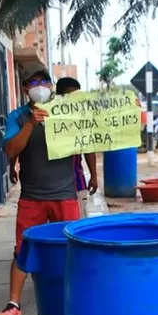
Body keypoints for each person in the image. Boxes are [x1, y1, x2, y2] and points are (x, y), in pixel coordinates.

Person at [0, 66, 85, 315]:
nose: (40, 86)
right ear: (25, 88)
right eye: (34, 82)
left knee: (72, 247)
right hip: (32, 196)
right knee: (23, 248)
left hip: (64, 194)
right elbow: (11, 150)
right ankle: (13, 305)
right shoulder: (18, 117)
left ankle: (76, 298)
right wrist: (32, 123)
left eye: (45, 81)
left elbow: (91, 135)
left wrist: (128, 109)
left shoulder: (66, 111)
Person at [54, 77, 99, 219]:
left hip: (76, 182)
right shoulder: (50, 118)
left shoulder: (82, 119)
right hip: (53, 186)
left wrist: (94, 175)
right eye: (71, 95)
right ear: (61, 97)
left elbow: (88, 147)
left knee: (78, 223)